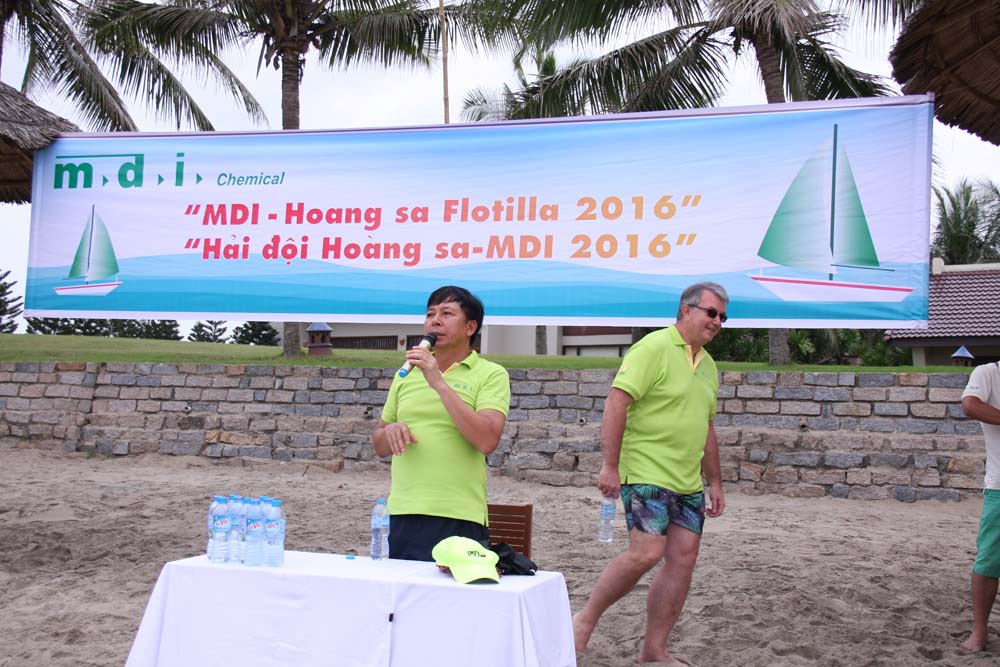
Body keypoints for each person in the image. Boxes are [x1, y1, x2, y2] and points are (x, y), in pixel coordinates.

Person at [573, 282, 728, 666]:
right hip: (645, 471)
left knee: (683, 561)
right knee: (646, 552)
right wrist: (610, 465)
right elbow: (617, 403)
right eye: (711, 312)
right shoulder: (652, 348)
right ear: (686, 310)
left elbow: (706, 426)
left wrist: (715, 481)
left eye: (723, 317)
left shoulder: (708, 366)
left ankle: (653, 652)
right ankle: (584, 620)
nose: (717, 322)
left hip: (687, 482)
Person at [372, 285, 510, 561]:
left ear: (470, 327)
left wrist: (438, 381)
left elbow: (487, 440)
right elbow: (379, 445)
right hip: (402, 513)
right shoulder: (406, 374)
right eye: (430, 314)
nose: (435, 321)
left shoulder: (491, 374)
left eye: (447, 314)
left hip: (459, 515)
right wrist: (390, 432)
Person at [959, 360, 1000, 653]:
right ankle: (979, 632)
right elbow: (970, 405)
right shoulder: (989, 373)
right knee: (988, 561)